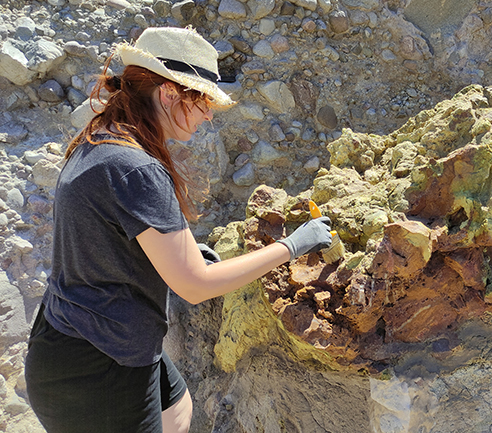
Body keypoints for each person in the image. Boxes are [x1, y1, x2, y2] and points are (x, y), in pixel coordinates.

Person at [24, 26, 331, 433]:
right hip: (96, 369)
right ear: (169, 93)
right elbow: (195, 286)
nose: (207, 115)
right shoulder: (137, 168)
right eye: (202, 100)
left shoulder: (101, 139)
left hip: (73, 337)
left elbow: (104, 234)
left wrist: (181, 251)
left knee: (178, 412)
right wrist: (293, 246)